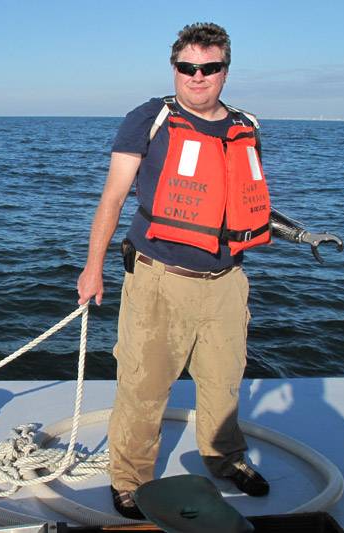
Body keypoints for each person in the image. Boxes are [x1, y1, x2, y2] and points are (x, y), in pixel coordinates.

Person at [76, 22, 271, 520]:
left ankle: (224, 457)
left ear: (226, 71)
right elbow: (113, 197)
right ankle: (130, 479)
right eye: (188, 67)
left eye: (209, 67)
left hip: (227, 283)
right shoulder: (149, 119)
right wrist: (92, 268)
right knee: (144, 387)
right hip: (159, 279)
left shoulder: (246, 126)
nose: (197, 77)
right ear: (174, 69)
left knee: (224, 382)